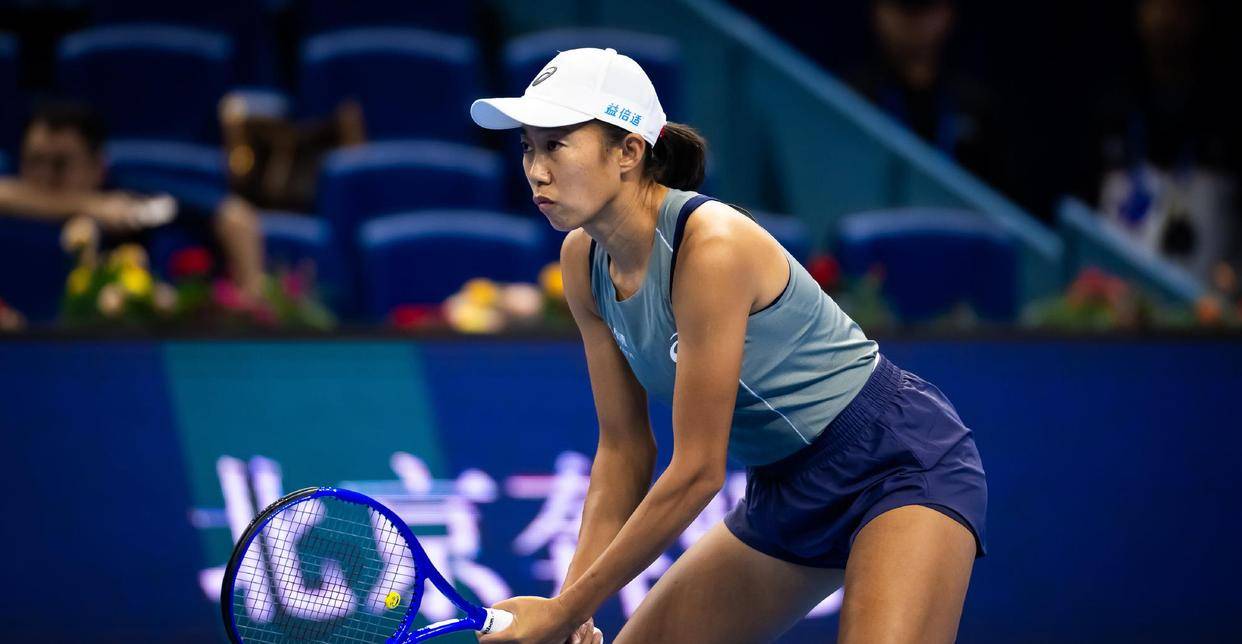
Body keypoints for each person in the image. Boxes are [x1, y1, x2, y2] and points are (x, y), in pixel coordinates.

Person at [470, 47, 987, 643]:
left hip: (895, 465)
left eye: (557, 145)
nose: (536, 170)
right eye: (528, 147)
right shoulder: (582, 261)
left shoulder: (711, 248)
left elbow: (698, 472)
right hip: (783, 490)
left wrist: (562, 611)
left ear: (629, 152)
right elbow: (624, 451)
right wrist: (572, 609)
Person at [0, 102, 266, 298]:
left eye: (60, 164)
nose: (44, 176)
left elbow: (236, 217)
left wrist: (251, 299)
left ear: (98, 166)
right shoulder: (14, 196)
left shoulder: (131, 198)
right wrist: (91, 204)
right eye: (34, 161)